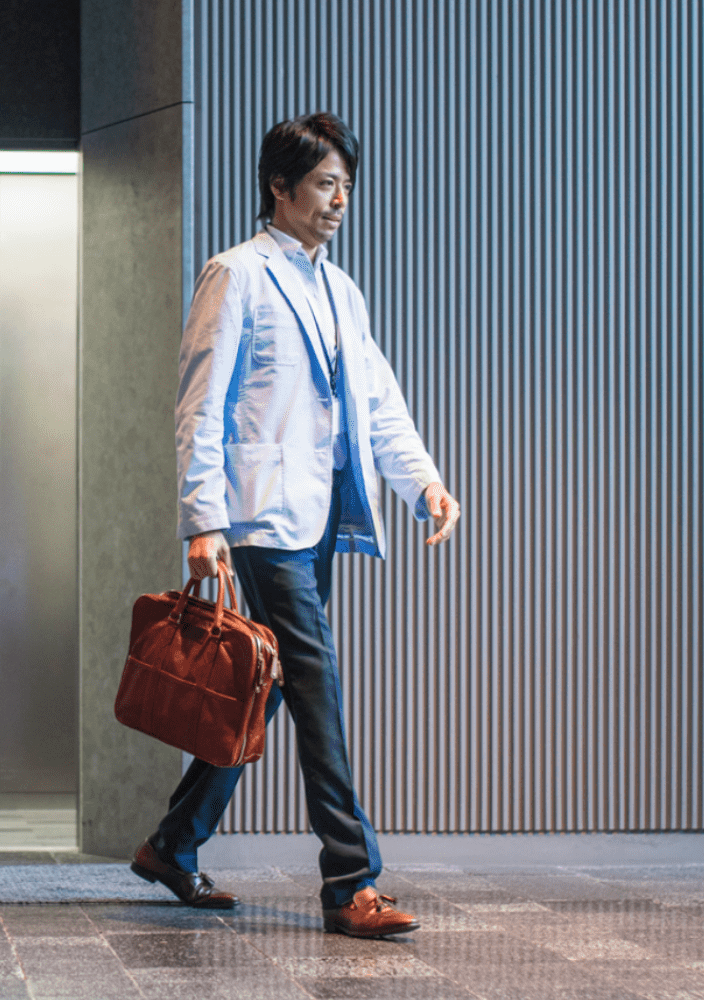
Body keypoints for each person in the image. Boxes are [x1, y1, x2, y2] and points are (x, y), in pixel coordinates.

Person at [127, 112, 462, 938]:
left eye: (347, 185)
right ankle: (352, 881)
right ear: (279, 187)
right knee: (316, 682)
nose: (340, 199)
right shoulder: (235, 274)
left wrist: (423, 481)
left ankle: (173, 843)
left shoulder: (339, 287)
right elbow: (200, 405)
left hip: (317, 519)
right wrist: (203, 521)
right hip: (258, 519)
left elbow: (377, 401)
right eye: (324, 184)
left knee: (265, 684)